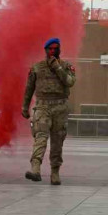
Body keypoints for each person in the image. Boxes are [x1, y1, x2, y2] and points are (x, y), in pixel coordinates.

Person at [22, 38, 76, 185]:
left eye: (55, 48)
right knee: (40, 137)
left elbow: (70, 82)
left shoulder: (66, 67)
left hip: (60, 107)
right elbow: (29, 89)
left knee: (58, 141)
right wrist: (25, 107)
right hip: (42, 107)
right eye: (50, 49)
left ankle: (55, 172)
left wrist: (58, 68)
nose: (52, 51)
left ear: (59, 50)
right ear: (45, 51)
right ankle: (35, 169)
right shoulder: (37, 68)